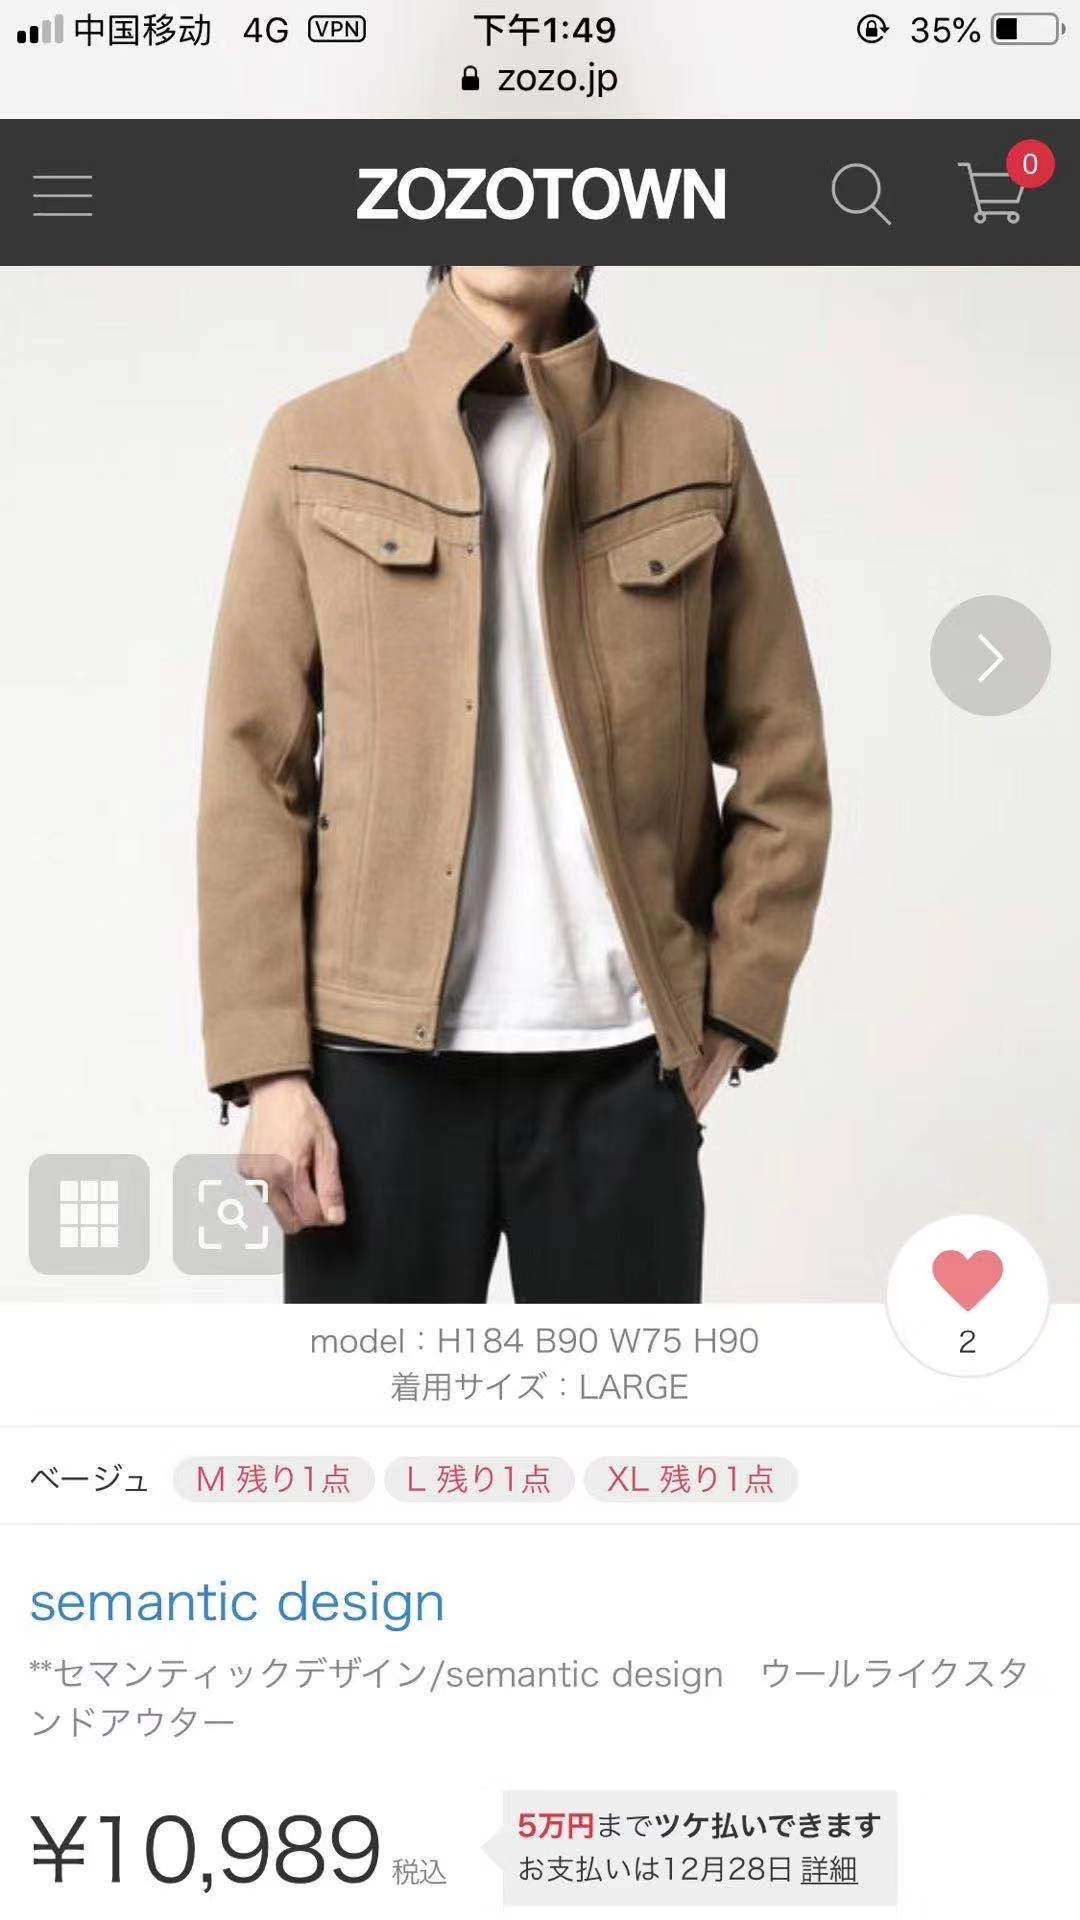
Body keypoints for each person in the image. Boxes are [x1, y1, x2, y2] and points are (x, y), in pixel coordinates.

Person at [198, 265, 830, 1304]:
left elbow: (785, 756)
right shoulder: (318, 441)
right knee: (368, 1411)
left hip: (623, 1068)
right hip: (372, 1075)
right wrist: (270, 1068)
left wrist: (734, 1012)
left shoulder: (697, 447)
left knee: (619, 1413)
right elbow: (252, 771)